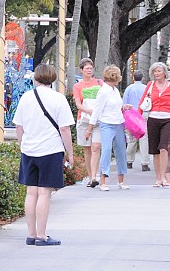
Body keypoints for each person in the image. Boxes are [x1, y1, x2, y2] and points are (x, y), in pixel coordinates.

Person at [14, 63, 74, 246]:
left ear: (36, 78)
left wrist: (21, 144)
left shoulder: (26, 98)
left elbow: (19, 126)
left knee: (31, 193)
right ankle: (42, 235)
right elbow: (64, 128)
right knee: (44, 193)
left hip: (29, 150)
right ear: (53, 78)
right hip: (51, 150)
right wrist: (69, 152)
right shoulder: (58, 99)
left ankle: (31, 234)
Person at [139, 61, 170, 187]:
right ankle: (158, 178)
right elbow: (142, 102)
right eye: (154, 71)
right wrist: (137, 118)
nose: (157, 73)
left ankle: (164, 177)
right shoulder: (150, 85)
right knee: (155, 151)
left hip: (167, 119)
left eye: (159, 71)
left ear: (164, 72)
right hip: (153, 119)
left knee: (163, 148)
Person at [87, 65, 130, 191]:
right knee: (106, 151)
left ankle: (120, 181)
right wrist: (90, 129)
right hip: (106, 124)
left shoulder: (114, 90)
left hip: (118, 123)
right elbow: (96, 111)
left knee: (121, 151)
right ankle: (103, 181)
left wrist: (124, 107)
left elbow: (116, 106)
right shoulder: (103, 91)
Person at [73, 58, 102, 187]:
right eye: (87, 69)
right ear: (81, 70)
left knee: (96, 147)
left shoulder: (99, 83)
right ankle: (91, 177)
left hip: (98, 120)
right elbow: (78, 104)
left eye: (91, 68)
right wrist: (88, 110)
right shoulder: (77, 86)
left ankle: (95, 175)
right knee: (87, 149)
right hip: (84, 119)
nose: (89, 70)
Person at [123, 70, 149, 170]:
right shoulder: (145, 88)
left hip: (131, 116)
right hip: (142, 115)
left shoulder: (129, 88)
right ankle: (144, 163)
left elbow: (124, 103)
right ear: (142, 78)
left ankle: (129, 161)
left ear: (133, 78)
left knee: (131, 139)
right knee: (144, 139)